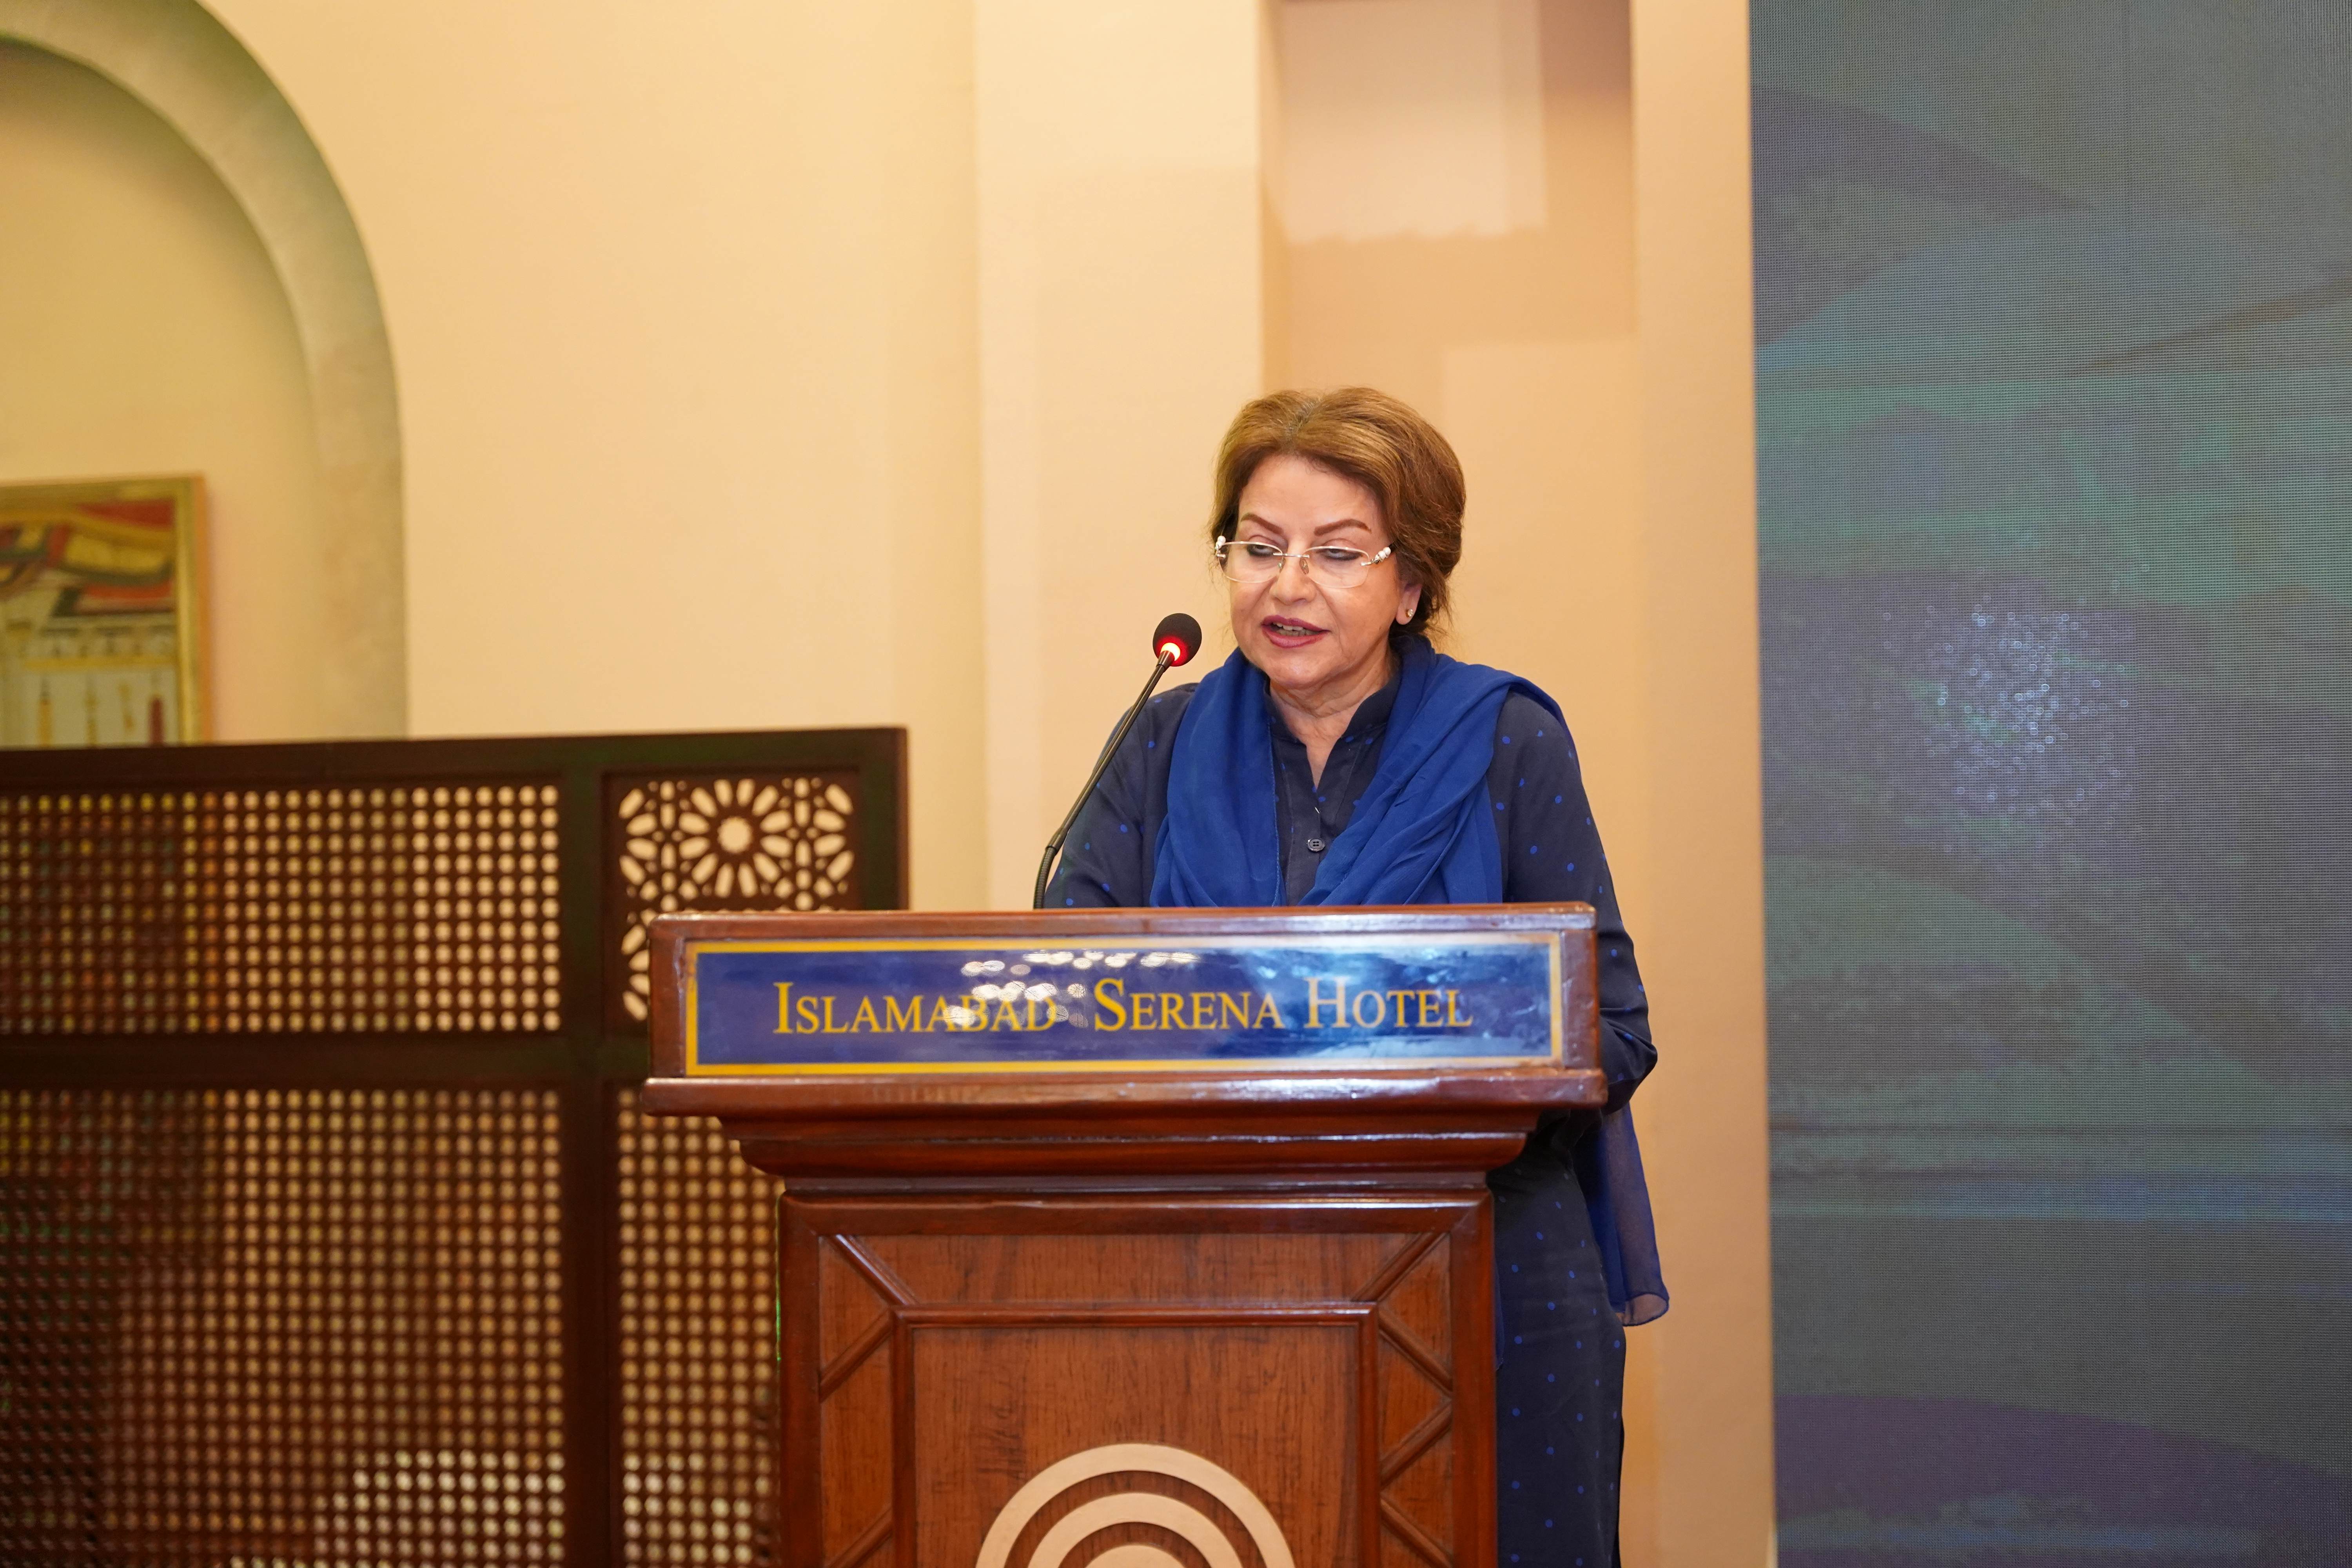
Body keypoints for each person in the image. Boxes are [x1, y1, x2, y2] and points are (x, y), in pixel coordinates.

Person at [1047, 386, 1665, 1564]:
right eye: (1259, 548)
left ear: (1412, 582)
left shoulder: (1506, 741)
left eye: (1336, 554)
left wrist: (1425, 1072)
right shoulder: (1158, 746)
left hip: (1483, 1266)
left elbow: (1615, 1029)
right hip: (1211, 1266)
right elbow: (1075, 1005)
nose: (1287, 587)